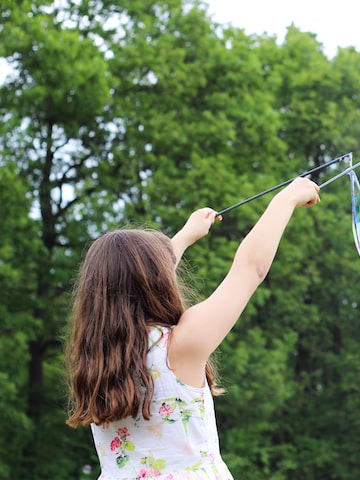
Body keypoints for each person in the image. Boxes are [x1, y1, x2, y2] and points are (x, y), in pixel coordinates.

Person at [65, 177, 321, 479]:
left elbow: (132, 283)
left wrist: (185, 236)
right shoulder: (179, 346)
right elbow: (251, 268)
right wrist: (286, 198)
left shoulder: (97, 360)